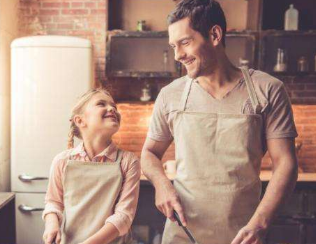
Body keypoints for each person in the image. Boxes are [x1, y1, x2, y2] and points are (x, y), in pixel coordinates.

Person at [141, 0, 298, 243]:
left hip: (244, 234)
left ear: (214, 35)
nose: (178, 55)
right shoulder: (170, 95)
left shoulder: (267, 90)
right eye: (173, 46)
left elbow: (286, 163)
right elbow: (149, 153)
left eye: (185, 42)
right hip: (182, 234)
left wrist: (260, 224)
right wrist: (161, 184)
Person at [42, 89, 141, 244]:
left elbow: (123, 216)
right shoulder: (62, 161)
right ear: (80, 121)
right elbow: (53, 202)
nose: (112, 109)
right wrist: (52, 224)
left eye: (113, 106)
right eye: (101, 104)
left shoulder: (128, 161)